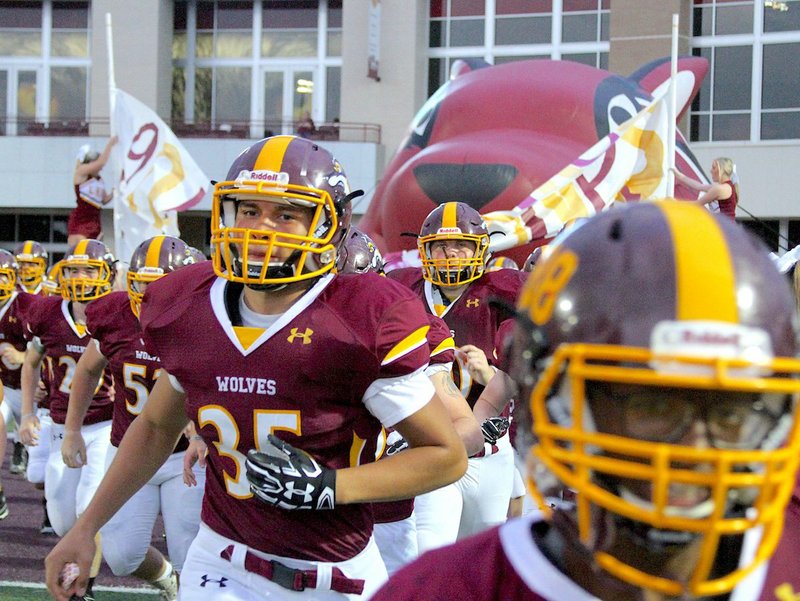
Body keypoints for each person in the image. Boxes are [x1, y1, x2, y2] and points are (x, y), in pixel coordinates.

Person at [44, 135, 467, 601]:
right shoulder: (189, 304)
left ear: (330, 222)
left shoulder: (359, 317)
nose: (260, 228)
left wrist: (331, 486)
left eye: (285, 213)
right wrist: (86, 528)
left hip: (330, 573)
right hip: (218, 559)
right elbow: (154, 425)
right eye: (248, 210)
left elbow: (445, 455)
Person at [372, 200, 800, 601]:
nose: (695, 448)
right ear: (553, 401)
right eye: (650, 406)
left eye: (729, 412)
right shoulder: (445, 587)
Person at [60, 235, 204, 601]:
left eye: (161, 283)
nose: (150, 292)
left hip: (186, 456)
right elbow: (88, 369)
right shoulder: (115, 315)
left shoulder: (203, 318)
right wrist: (72, 429)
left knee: (193, 553)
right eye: (143, 282)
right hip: (130, 447)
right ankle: (166, 578)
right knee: (122, 556)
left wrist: (201, 425)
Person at [388, 201, 523, 551]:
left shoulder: (501, 292)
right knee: (430, 554)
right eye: (441, 246)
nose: (451, 254)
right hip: (432, 446)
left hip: (491, 454)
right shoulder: (403, 290)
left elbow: (519, 372)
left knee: (481, 561)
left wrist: (491, 373)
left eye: (461, 245)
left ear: (479, 250)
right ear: (425, 249)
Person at [20, 239, 117, 601]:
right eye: (74, 269)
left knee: (87, 506)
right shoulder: (47, 313)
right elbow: (31, 362)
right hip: (61, 424)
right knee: (62, 519)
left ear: (107, 273)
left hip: (105, 425)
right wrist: (28, 412)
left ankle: (84, 589)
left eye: (89, 270)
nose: (79, 277)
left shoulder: (115, 313)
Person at [68, 136, 117, 246]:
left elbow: (103, 200)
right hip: (81, 221)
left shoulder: (100, 180)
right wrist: (110, 145)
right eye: (96, 164)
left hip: (95, 222)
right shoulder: (81, 173)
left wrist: (114, 192)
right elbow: (101, 163)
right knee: (80, 251)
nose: (100, 168)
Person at [672, 157, 739, 219]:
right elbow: (698, 186)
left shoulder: (720, 189)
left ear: (721, 170)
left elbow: (696, 204)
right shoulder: (726, 186)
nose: (711, 171)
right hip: (726, 227)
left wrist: (674, 203)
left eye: (714, 168)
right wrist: (679, 175)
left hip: (723, 229)